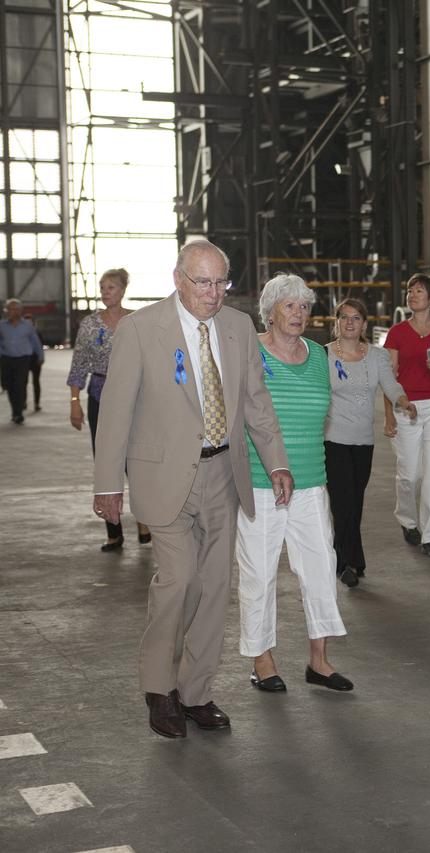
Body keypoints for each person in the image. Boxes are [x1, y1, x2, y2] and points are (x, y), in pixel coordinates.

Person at [92, 239, 292, 739]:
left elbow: (255, 400)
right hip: (162, 475)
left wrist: (277, 463)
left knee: (215, 587)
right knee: (180, 581)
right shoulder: (141, 329)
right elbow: (115, 412)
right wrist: (107, 485)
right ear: (178, 279)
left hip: (225, 472)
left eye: (221, 282)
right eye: (203, 282)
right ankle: (159, 689)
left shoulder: (238, 326)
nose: (213, 293)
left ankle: (196, 692)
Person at [237, 274, 352, 694]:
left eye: (304, 307)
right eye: (289, 306)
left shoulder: (320, 355)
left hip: (310, 481)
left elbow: (321, 411)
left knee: (320, 568)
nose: (299, 314)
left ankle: (318, 661)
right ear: (269, 313)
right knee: (260, 573)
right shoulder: (250, 351)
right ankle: (262, 661)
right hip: (259, 481)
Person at [326, 297, 414, 587]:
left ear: (365, 324)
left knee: (356, 500)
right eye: (344, 317)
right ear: (336, 322)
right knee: (342, 503)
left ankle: (354, 556)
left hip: (363, 442)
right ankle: (344, 562)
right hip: (333, 440)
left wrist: (402, 400)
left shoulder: (376, 356)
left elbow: (390, 384)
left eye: (355, 318)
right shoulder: (323, 355)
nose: (349, 322)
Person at [68, 268, 150, 550]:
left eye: (111, 287)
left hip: (137, 396)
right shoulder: (89, 325)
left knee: (138, 460)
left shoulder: (138, 321)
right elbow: (79, 363)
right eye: (102, 287)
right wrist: (74, 402)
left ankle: (145, 522)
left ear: (123, 290)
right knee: (105, 459)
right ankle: (113, 530)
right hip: (100, 396)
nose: (105, 292)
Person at [383, 274, 430, 559]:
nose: (412, 294)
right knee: (411, 474)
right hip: (405, 406)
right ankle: (408, 520)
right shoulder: (397, 332)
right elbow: (388, 376)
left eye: (419, 291)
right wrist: (389, 415)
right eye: (409, 290)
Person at [1, 298, 43, 424]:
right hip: (6, 359)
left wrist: (40, 356)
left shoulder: (27, 326)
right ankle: (15, 410)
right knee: (8, 386)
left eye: (15, 309)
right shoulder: (2, 326)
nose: (12, 311)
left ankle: (18, 413)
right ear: (6, 311)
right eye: (10, 309)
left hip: (23, 359)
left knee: (19, 385)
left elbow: (35, 341)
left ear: (20, 311)